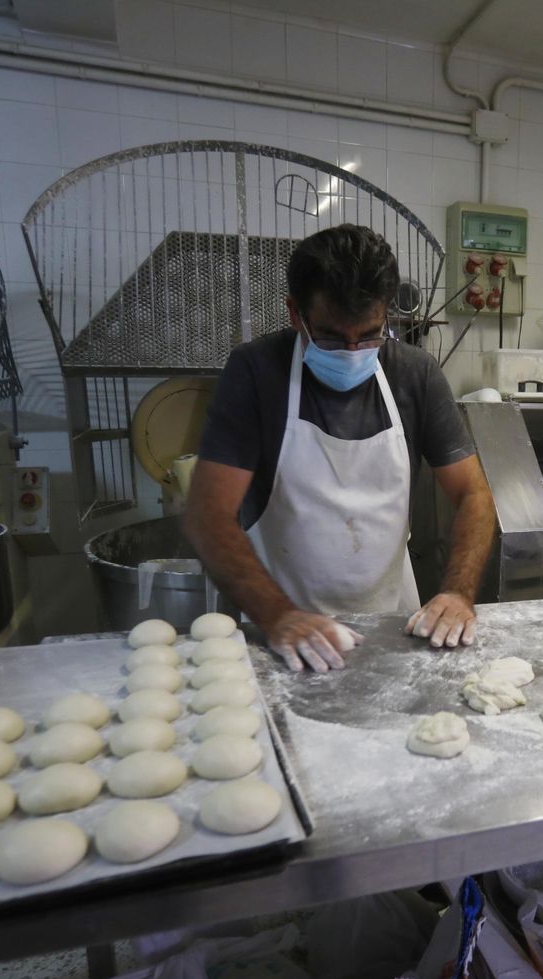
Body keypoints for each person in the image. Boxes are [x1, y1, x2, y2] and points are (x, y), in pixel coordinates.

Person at [185, 224, 496, 672]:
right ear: (296, 314)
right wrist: (278, 616)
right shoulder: (257, 373)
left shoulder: (415, 374)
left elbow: (474, 494)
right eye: (332, 338)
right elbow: (206, 515)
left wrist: (458, 593)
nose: (353, 351)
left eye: (370, 335)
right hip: (286, 636)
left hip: (393, 627)